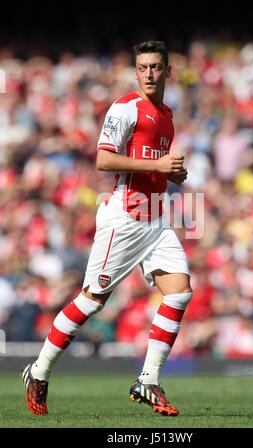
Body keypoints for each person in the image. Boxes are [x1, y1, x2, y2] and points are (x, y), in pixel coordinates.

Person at [21, 40, 193, 417]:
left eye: (156, 67)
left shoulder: (166, 114)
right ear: (136, 71)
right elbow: (102, 159)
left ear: (167, 71)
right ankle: (39, 369)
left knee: (179, 292)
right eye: (143, 67)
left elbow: (155, 165)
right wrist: (161, 167)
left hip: (156, 218)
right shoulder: (125, 107)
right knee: (91, 301)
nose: (150, 73)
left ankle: (148, 380)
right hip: (125, 219)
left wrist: (173, 172)